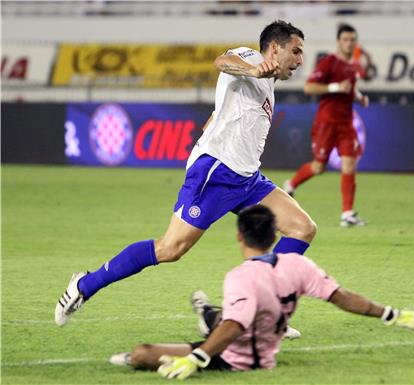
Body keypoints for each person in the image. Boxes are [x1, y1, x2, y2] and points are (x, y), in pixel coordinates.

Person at [55, 20, 317, 327]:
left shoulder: (268, 85)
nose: (300, 61)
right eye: (296, 51)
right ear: (275, 48)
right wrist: (254, 70)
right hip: (216, 173)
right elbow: (223, 62)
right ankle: (84, 285)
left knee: (302, 228)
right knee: (170, 248)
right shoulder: (251, 58)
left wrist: (217, 118)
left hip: (248, 179)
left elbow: (226, 110)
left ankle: (264, 314)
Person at [108, 205, 414, 379]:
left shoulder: (241, 277)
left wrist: (197, 358)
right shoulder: (298, 265)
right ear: (272, 234)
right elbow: (342, 296)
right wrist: (393, 314)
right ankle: (205, 311)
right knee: (226, 315)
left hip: (233, 359)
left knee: (142, 353)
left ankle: (201, 318)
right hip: (265, 350)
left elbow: (234, 328)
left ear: (240, 235)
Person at [283, 23, 370, 227]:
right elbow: (309, 87)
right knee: (319, 166)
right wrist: (335, 86)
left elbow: (349, 89)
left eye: (352, 40)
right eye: (346, 40)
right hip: (327, 122)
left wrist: (359, 97)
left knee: (350, 164)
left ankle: (347, 214)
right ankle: (291, 184)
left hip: (346, 123)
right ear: (339, 42)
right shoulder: (328, 63)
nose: (349, 43)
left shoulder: (353, 66)